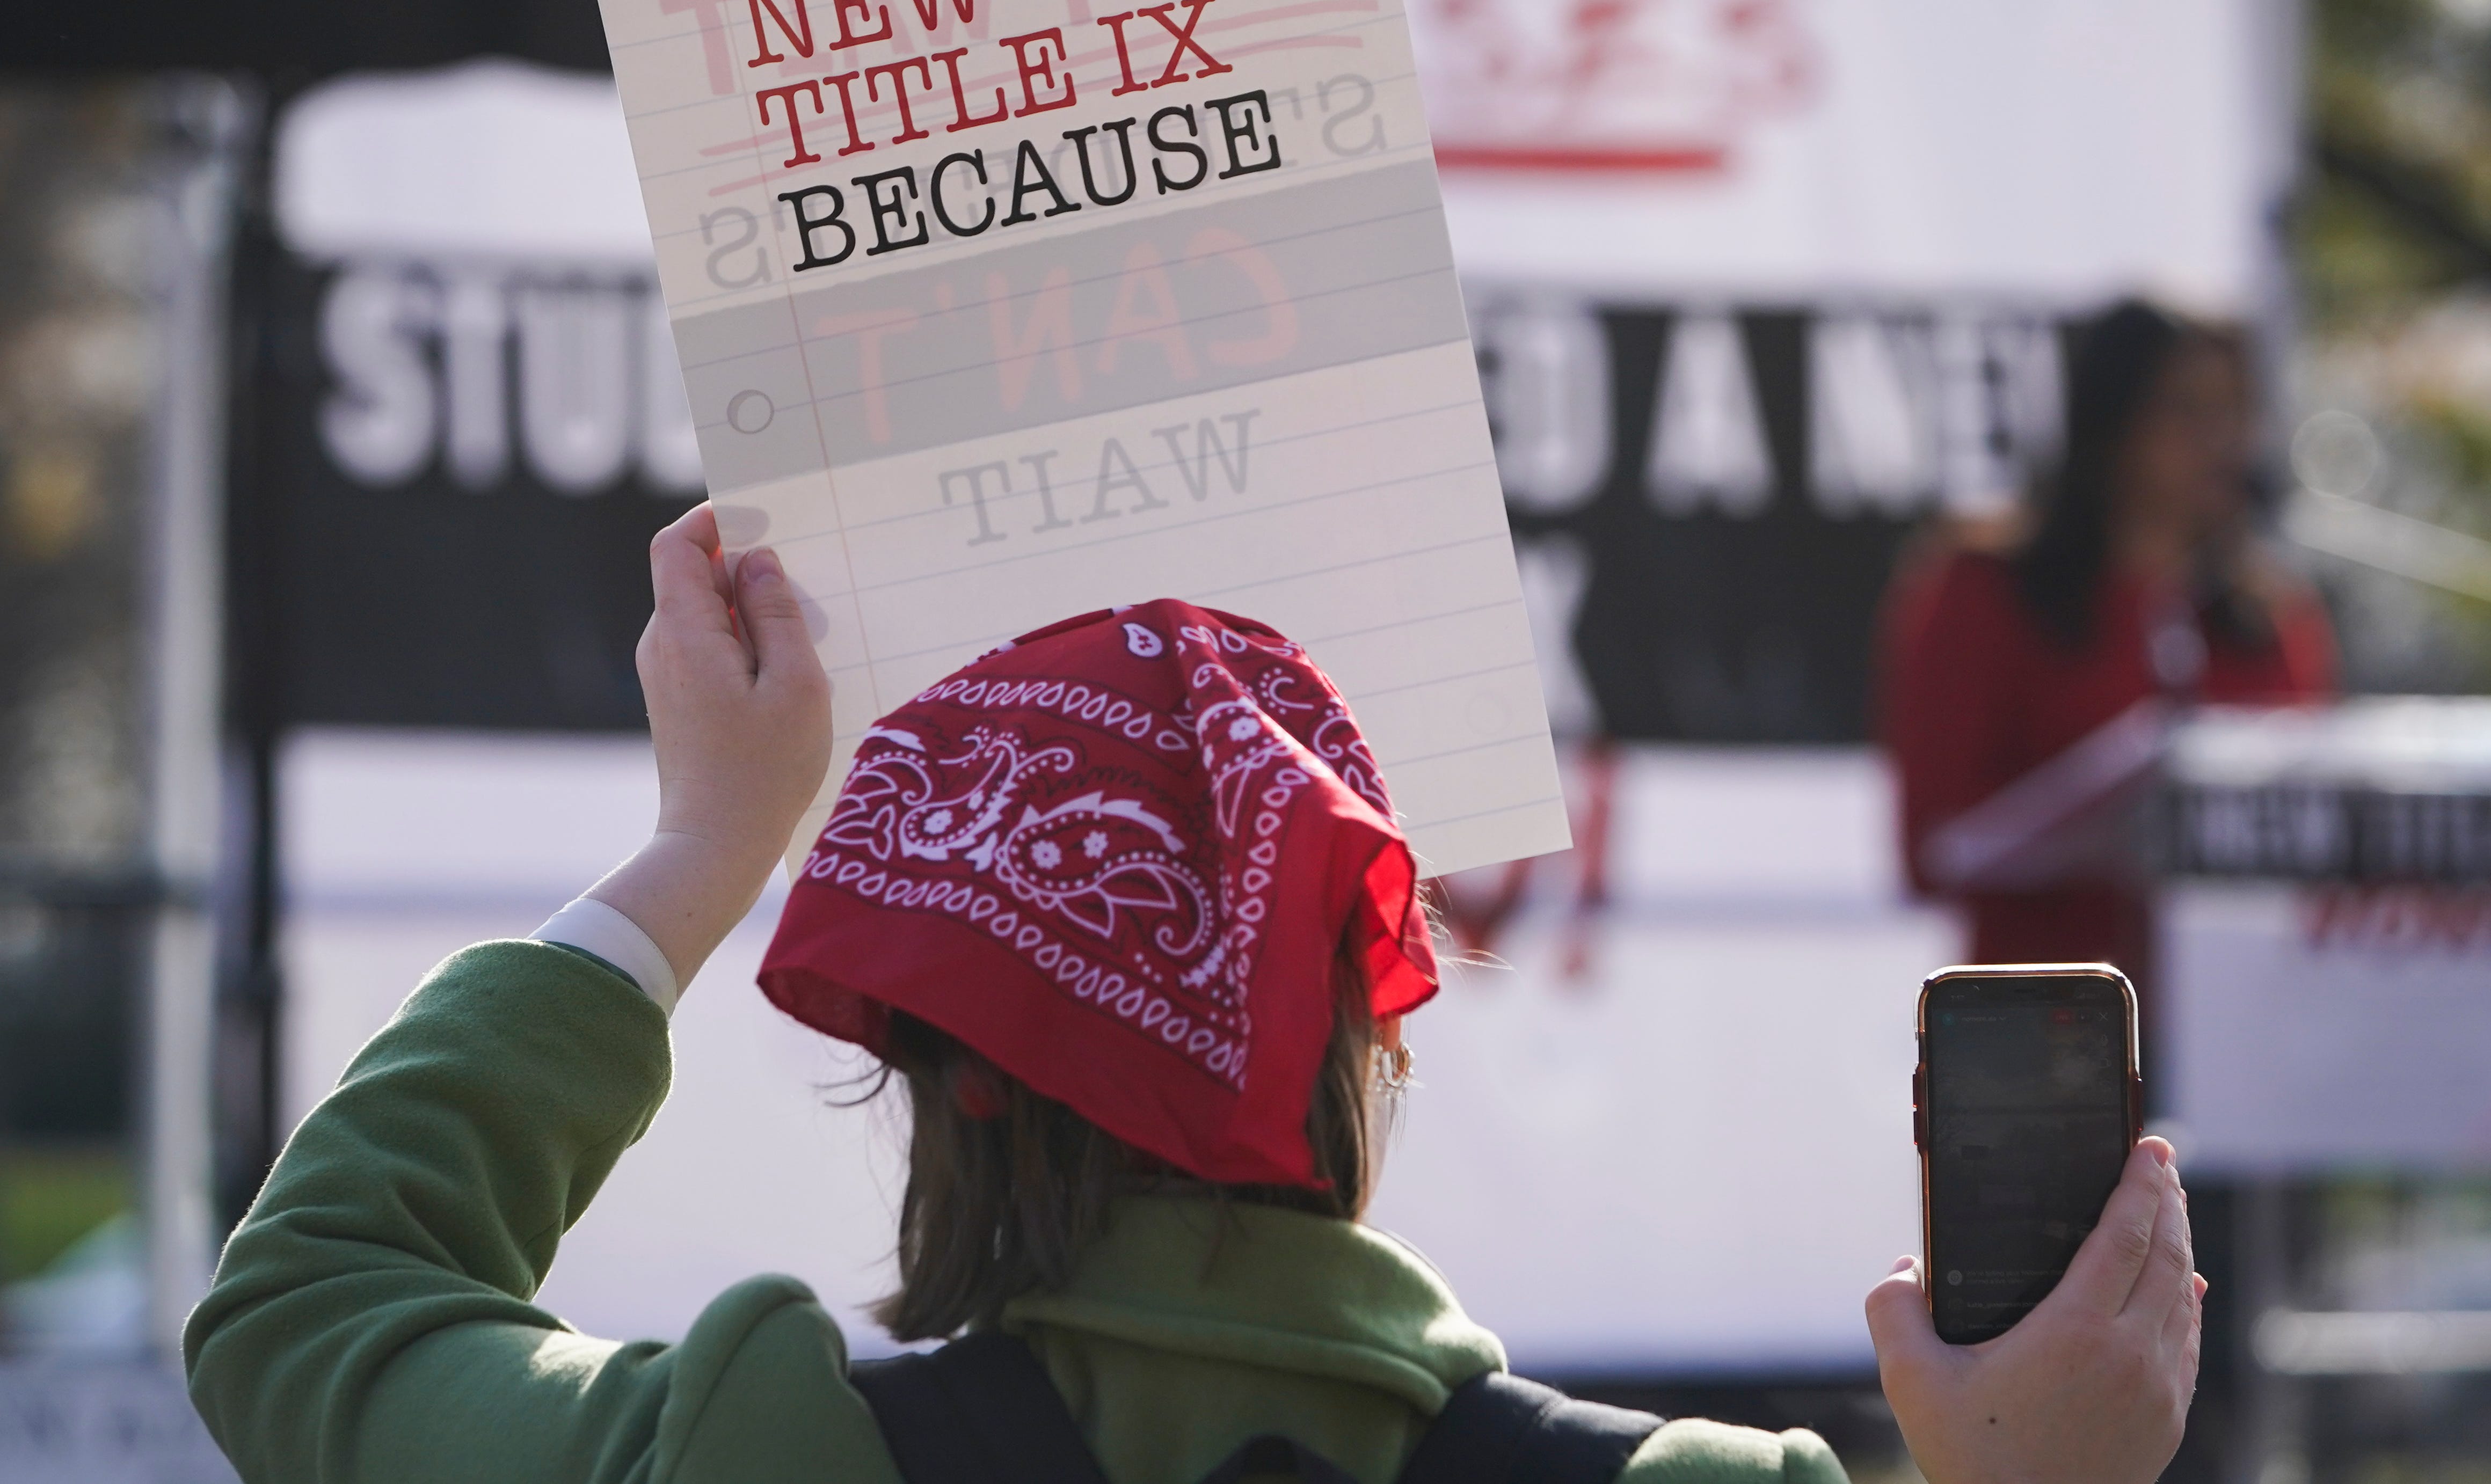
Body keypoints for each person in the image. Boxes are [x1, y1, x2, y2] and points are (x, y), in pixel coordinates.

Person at [187, 505, 2203, 1484]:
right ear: (1369, 1027)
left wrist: (710, 840)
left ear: (957, 1083)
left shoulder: (763, 1450)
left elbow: (313, 1309)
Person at [1879, 299, 2336, 992]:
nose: (2221, 442)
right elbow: (1929, 849)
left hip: (2244, 1029)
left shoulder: (2276, 618)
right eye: (2187, 409)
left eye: (2235, 413)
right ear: (2111, 421)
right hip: (2044, 1027)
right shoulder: (1982, 592)